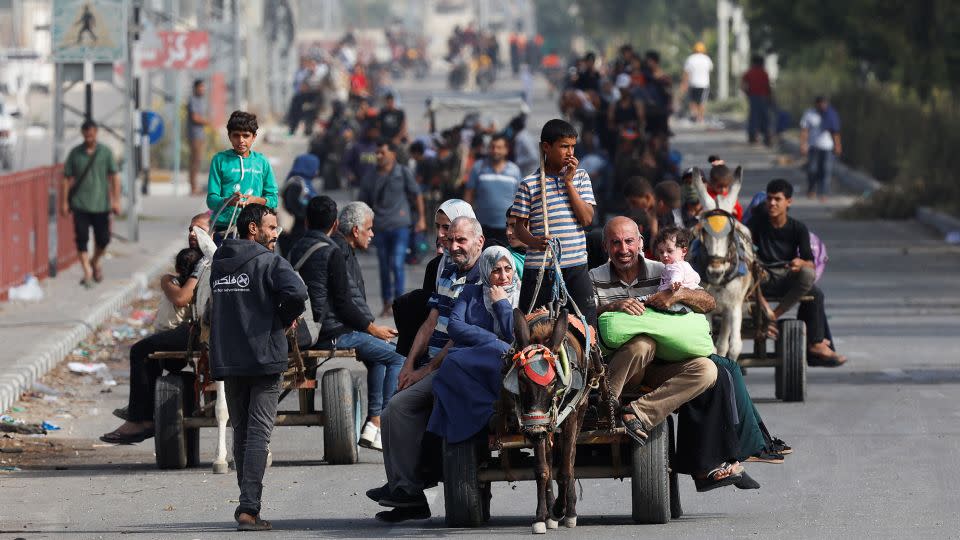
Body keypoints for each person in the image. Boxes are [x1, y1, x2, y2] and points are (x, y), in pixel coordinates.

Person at [591, 217, 745, 490]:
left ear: (640, 243)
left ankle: (637, 413)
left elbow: (708, 302)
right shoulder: (594, 278)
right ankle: (606, 405)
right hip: (619, 369)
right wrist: (613, 307)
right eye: (615, 243)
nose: (623, 249)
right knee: (642, 344)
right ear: (606, 247)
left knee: (708, 370)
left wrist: (678, 295)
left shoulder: (666, 269)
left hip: (662, 366)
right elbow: (580, 318)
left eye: (629, 241)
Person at [370, 216, 484, 522]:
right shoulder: (448, 271)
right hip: (431, 362)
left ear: (479, 242)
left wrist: (423, 372)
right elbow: (430, 322)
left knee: (399, 407)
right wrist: (408, 365)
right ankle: (404, 490)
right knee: (393, 403)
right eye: (451, 241)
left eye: (462, 241)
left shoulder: (482, 277)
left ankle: (409, 490)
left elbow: (460, 336)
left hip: (458, 365)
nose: (455, 246)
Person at [210, 204, 308, 531]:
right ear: (253, 229)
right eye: (271, 227)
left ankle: (246, 504)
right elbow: (298, 292)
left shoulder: (219, 263)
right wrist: (280, 318)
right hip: (264, 359)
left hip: (230, 359)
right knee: (258, 435)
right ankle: (248, 508)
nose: (276, 233)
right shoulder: (271, 262)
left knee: (242, 433)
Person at [289, 197, 404, 452]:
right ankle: (381, 422)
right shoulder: (332, 251)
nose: (372, 233)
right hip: (331, 332)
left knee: (378, 356)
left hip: (304, 329)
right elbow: (344, 303)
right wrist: (372, 328)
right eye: (369, 228)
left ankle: (373, 424)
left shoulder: (295, 248)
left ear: (307, 221)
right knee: (398, 356)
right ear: (336, 224)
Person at [99, 213, 210, 444]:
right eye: (190, 229)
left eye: (198, 229)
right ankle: (143, 409)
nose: (192, 234)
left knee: (140, 351)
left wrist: (169, 282)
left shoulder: (207, 262)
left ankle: (140, 419)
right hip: (193, 328)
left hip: (199, 329)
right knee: (150, 349)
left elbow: (181, 298)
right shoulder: (198, 260)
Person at [746, 179, 846, 366]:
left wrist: (800, 263)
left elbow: (810, 263)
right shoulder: (755, 224)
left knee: (814, 291)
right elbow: (745, 254)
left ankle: (814, 342)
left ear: (788, 202)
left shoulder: (798, 228)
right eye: (769, 199)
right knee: (742, 274)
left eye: (777, 199)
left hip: (785, 276)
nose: (772, 203)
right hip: (760, 278)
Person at [427, 245, 519, 443]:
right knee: (450, 365)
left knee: (503, 352)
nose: (503, 276)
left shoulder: (523, 295)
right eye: (496, 270)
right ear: (486, 271)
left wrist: (502, 304)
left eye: (507, 269)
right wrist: (492, 340)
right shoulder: (471, 292)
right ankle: (488, 414)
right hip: (474, 355)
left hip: (507, 356)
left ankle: (499, 412)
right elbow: (455, 326)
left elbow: (514, 336)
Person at [511, 119, 597, 325]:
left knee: (587, 326)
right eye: (564, 146)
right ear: (546, 147)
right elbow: (518, 227)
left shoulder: (581, 177)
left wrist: (568, 182)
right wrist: (532, 242)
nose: (570, 152)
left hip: (575, 265)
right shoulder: (529, 184)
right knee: (531, 326)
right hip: (540, 268)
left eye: (572, 147)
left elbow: (586, 219)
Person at [358, 140, 427, 317]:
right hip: (379, 227)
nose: (379, 156)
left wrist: (421, 219)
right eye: (377, 153)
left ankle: (400, 303)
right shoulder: (370, 175)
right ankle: (387, 303)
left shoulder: (403, 172)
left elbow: (416, 194)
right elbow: (362, 201)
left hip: (400, 226)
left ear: (392, 155)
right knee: (383, 266)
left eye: (382, 152)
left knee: (397, 264)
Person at [60, 120, 120, 288]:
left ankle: (94, 261)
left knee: (104, 238)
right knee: (82, 238)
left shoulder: (105, 152)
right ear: (82, 134)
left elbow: (115, 176)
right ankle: (87, 270)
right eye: (86, 133)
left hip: (101, 204)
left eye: (92, 133)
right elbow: (66, 178)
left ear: (96, 133)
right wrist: (64, 202)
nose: (89, 136)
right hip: (80, 204)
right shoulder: (75, 153)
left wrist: (116, 200)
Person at [206, 111, 278, 239]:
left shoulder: (262, 162)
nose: (241, 140)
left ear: (254, 137)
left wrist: (255, 201)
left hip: (254, 230)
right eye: (236, 135)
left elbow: (273, 199)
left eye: (246, 135)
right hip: (225, 229)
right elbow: (211, 200)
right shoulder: (219, 160)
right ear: (229, 136)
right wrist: (229, 201)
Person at [463, 134, 523, 246]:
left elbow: (519, 198)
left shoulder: (514, 170)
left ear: (506, 150)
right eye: (492, 147)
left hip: (506, 229)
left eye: (499, 147)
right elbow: (469, 193)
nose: (495, 151)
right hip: (482, 227)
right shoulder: (478, 167)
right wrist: (467, 219)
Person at [800, 96, 842, 201]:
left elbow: (835, 131)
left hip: (827, 147)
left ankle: (823, 193)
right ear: (816, 104)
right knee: (812, 169)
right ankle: (811, 189)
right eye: (820, 104)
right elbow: (805, 130)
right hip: (813, 146)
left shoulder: (831, 114)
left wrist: (837, 145)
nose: (823, 106)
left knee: (826, 170)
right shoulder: (810, 114)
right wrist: (803, 144)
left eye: (824, 103)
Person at [741, 55, 772, 145]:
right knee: (764, 117)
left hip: (753, 97)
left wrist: (747, 94)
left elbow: (743, 86)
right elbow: (768, 87)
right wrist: (770, 98)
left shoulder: (749, 73)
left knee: (753, 117)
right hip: (763, 97)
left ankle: (752, 136)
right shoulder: (764, 73)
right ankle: (766, 137)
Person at [186, 79, 209, 195]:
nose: (202, 89)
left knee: (198, 160)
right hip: (194, 135)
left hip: (200, 134)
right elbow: (195, 117)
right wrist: (207, 122)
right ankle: (193, 187)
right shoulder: (193, 100)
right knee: (195, 160)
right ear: (195, 88)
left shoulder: (202, 100)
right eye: (200, 87)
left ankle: (195, 186)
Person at [682, 42, 713, 124]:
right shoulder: (707, 59)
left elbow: (686, 73)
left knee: (693, 101)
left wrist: (684, 84)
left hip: (693, 83)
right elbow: (709, 71)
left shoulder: (690, 59)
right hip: (704, 84)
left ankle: (695, 116)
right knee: (702, 102)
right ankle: (700, 118)